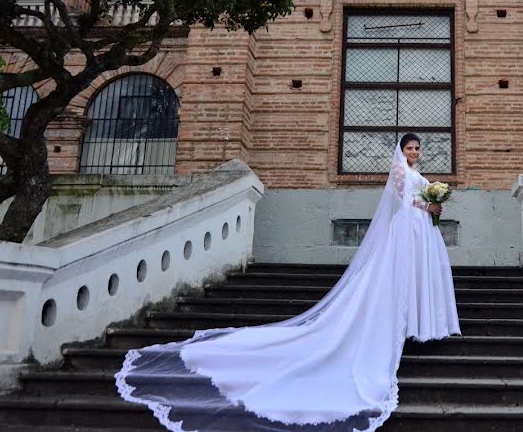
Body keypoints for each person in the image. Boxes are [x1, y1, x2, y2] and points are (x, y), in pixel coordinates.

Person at [115, 133, 461, 431]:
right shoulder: (400, 172)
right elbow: (402, 202)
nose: (413, 153)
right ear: (401, 151)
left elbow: (419, 198)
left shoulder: (418, 173)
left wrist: (433, 203)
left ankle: (418, 324)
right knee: (393, 281)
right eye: (410, 148)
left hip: (420, 235)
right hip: (406, 231)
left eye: (417, 149)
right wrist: (424, 204)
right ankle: (397, 326)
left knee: (417, 280)